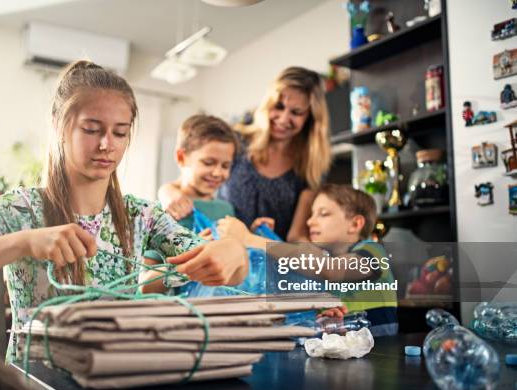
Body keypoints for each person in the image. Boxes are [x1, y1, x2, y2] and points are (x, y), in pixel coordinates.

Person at [0, 61, 248, 362]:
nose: (106, 145)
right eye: (91, 129)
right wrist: (22, 243)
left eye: (120, 133)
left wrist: (233, 251)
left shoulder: (142, 217)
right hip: (37, 388)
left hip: (117, 381)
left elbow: (229, 269)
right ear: (59, 125)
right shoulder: (19, 210)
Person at [159, 67, 332, 242]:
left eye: (296, 112)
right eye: (278, 106)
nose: (283, 118)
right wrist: (167, 194)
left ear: (310, 118)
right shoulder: (238, 140)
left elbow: (296, 236)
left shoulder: (311, 165)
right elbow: (185, 182)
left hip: (269, 257)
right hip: (223, 246)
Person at [217, 184, 398, 336]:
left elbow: (329, 269)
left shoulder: (373, 253)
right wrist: (265, 235)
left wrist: (249, 239)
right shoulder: (323, 263)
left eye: (323, 213)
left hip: (381, 356)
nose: (310, 221)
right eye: (311, 214)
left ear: (355, 224)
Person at [140, 114, 239, 291]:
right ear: (181, 158)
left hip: (221, 310)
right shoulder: (164, 211)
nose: (217, 173)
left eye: (225, 166)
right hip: (178, 313)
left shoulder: (226, 209)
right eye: (208, 162)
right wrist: (190, 261)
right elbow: (144, 284)